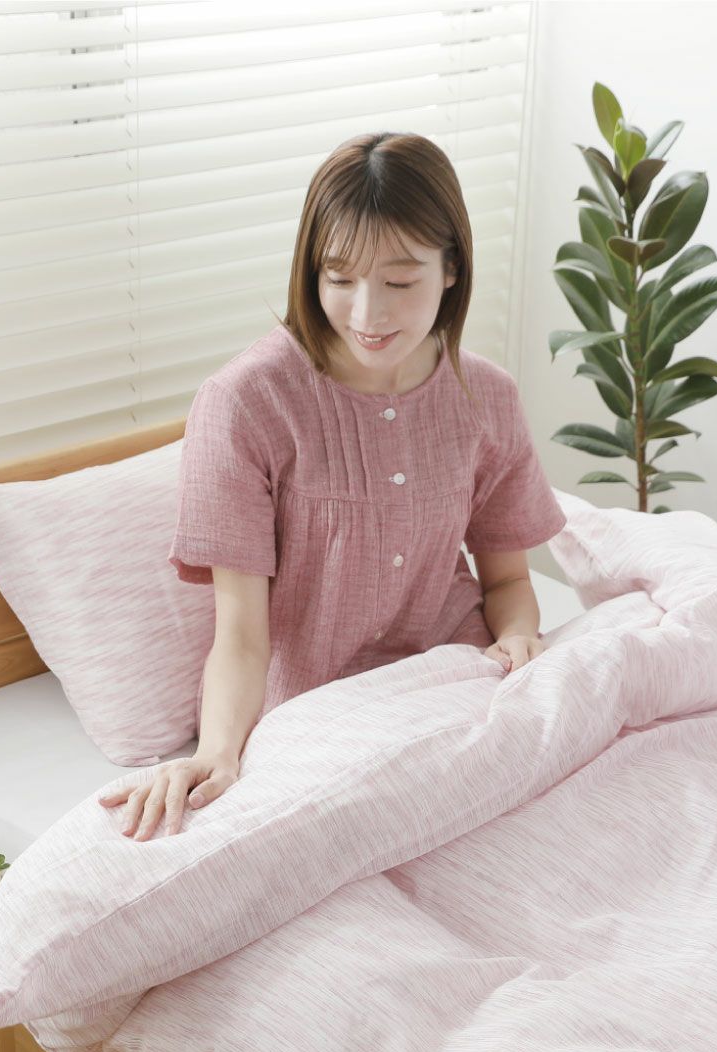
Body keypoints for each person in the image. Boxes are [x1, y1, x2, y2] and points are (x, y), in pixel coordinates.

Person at [102, 131, 567, 841]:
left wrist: (519, 637)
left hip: (462, 691)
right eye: (340, 278)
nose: (367, 314)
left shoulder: (488, 395)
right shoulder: (245, 403)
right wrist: (217, 754)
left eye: (400, 282)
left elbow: (506, 581)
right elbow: (242, 636)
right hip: (320, 722)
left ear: (452, 269)